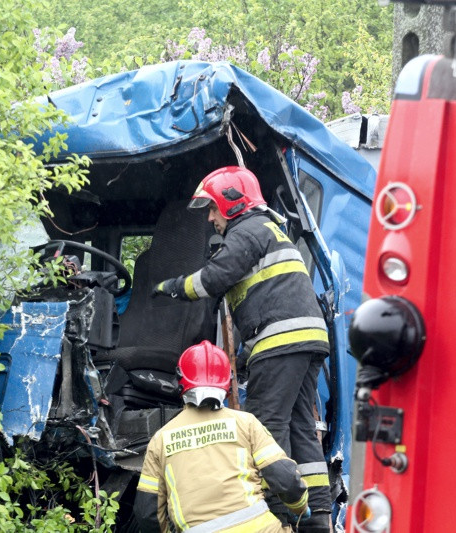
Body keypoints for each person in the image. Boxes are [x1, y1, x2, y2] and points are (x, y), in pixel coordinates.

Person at [151, 166, 331, 532]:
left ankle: (278, 513)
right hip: (306, 339)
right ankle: (318, 518)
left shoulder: (245, 231)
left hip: (281, 340)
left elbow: (214, 278)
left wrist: (171, 287)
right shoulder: (268, 231)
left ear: (233, 204)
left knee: (267, 424)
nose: (211, 217)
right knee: (300, 425)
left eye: (214, 208)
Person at [134, 340, 310, 533]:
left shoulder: (160, 440)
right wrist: (299, 507)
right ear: (228, 381)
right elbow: (283, 477)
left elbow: (147, 514)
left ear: (180, 380)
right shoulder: (245, 423)